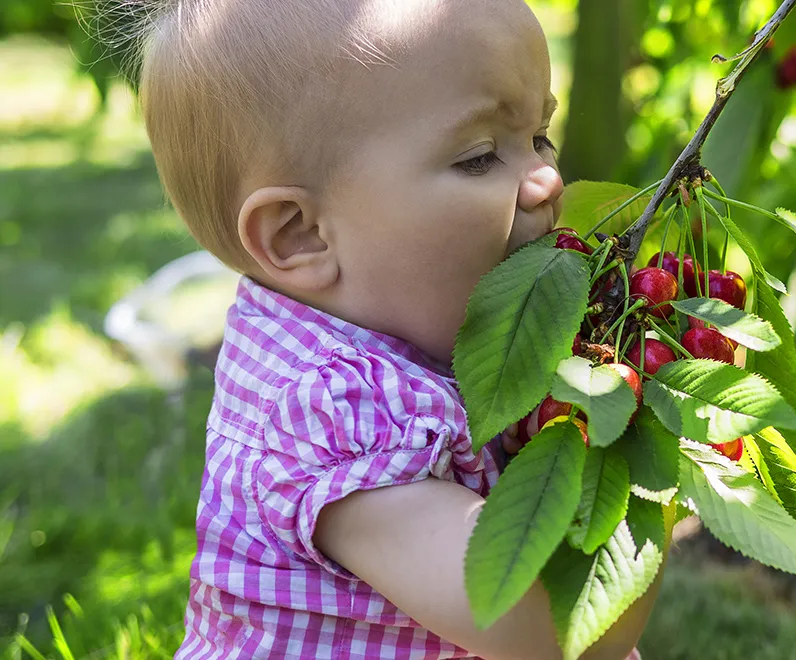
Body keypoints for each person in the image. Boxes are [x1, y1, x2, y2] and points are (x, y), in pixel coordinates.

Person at [120, 0, 661, 656]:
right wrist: (654, 441)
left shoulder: (410, 327)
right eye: (482, 156)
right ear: (301, 235)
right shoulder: (330, 412)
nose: (547, 179)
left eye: (540, 136)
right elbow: (558, 629)